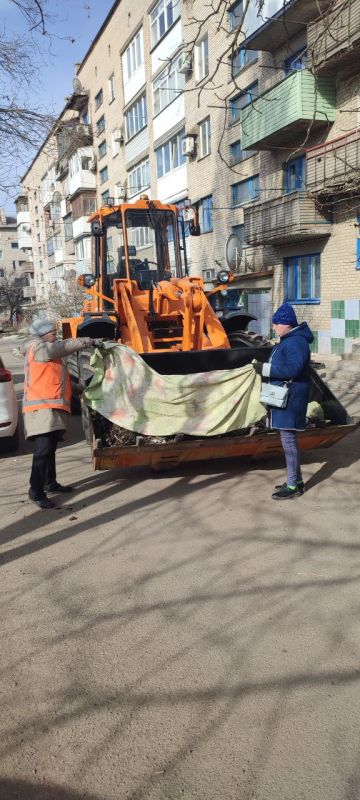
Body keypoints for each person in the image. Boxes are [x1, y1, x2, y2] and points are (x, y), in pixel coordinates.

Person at [21, 319, 95, 509]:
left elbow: (56, 377)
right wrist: (86, 341)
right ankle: (35, 491)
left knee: (50, 447)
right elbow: (61, 347)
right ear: (43, 335)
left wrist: (79, 388)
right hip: (40, 408)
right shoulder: (38, 348)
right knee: (43, 450)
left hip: (49, 406)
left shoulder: (45, 351)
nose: (56, 336)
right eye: (53, 333)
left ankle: (49, 482)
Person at [253, 302, 314, 500]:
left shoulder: (296, 342)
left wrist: (265, 369)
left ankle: (292, 486)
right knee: (288, 440)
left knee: (288, 441)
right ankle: (295, 481)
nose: (273, 327)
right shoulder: (289, 340)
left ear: (286, 324)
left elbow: (293, 370)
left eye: (276, 323)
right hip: (286, 396)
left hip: (291, 398)